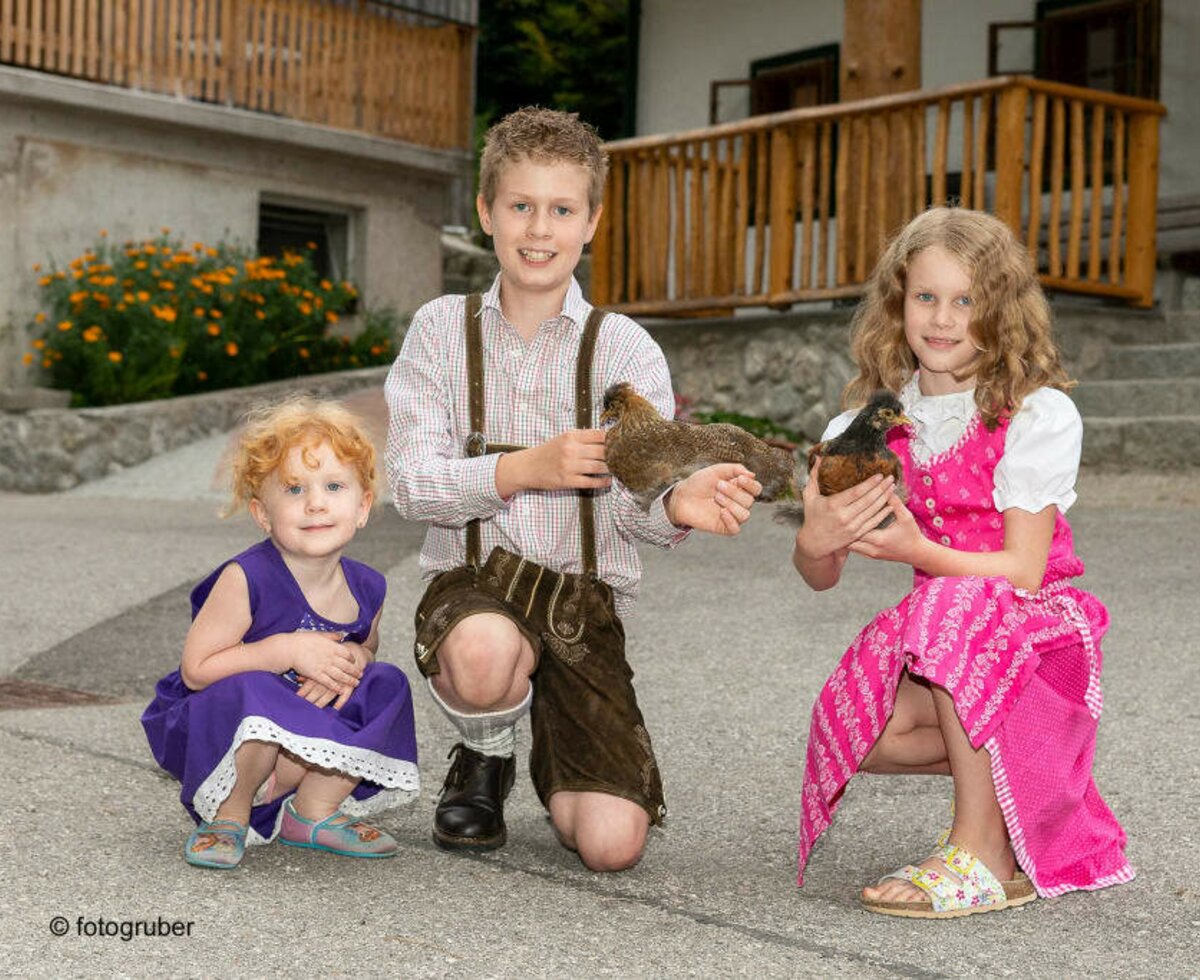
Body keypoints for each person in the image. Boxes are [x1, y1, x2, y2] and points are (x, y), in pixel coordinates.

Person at [385, 106, 761, 873]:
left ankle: (558, 753)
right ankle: (484, 755)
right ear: (487, 211)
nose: (539, 229)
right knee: (487, 652)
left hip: (580, 606)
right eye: (520, 205)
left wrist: (675, 505)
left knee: (610, 846)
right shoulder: (438, 329)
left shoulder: (623, 347)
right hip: (473, 586)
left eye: (561, 210)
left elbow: (638, 498)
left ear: (591, 221)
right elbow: (411, 485)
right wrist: (521, 469)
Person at [791, 207, 1133, 917]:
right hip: (945, 639)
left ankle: (982, 852)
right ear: (898, 303)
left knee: (953, 602)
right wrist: (816, 538)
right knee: (856, 726)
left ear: (999, 310)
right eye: (926, 298)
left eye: (965, 301)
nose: (942, 320)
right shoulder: (875, 424)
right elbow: (819, 574)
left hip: (1038, 630)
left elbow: (1024, 571)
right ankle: (1026, 778)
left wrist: (917, 551)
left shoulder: (1034, 415)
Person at [142, 396, 419, 869]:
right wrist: (284, 649)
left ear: (363, 506)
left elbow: (366, 644)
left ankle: (313, 811)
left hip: (301, 739)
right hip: (225, 734)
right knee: (251, 686)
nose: (315, 503)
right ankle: (228, 815)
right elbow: (197, 670)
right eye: (293, 490)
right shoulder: (246, 578)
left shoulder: (368, 585)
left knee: (387, 682)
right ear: (263, 513)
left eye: (334, 486)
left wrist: (358, 661)